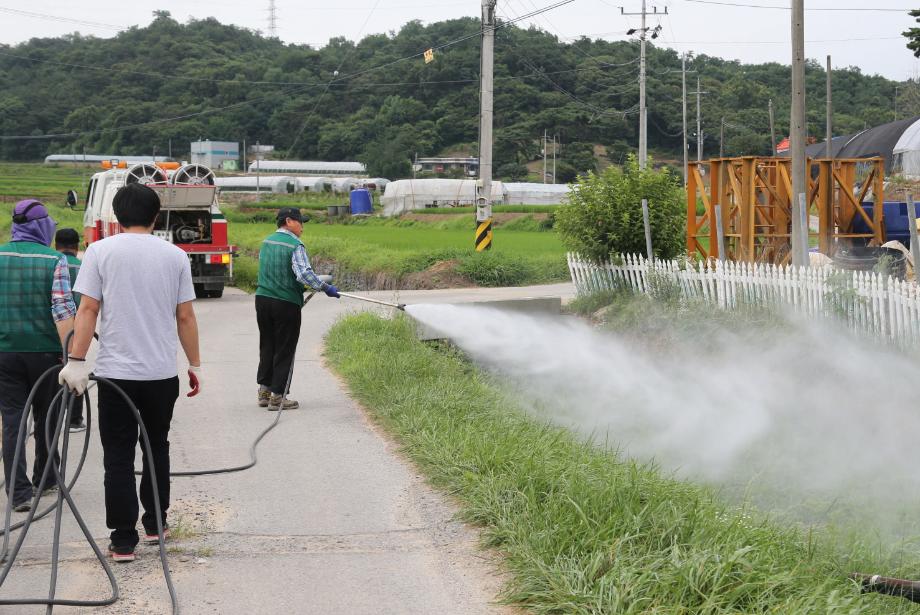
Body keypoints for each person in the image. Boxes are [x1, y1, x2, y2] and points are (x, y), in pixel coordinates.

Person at [59, 183, 201, 563]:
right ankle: (156, 523)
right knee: (156, 446)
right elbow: (185, 316)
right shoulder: (174, 256)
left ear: (117, 216)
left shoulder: (99, 252)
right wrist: (195, 365)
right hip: (159, 374)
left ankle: (123, 541)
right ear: (156, 216)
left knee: (118, 456)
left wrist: (76, 360)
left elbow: (87, 310)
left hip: (115, 376)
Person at [0, 199, 75, 513]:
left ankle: (18, 494)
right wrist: (72, 358)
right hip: (45, 355)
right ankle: (44, 479)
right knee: (48, 416)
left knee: (13, 421)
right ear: (41, 226)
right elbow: (62, 310)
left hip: (5, 354)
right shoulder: (54, 259)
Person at [255, 207, 339, 411]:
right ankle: (278, 396)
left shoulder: (267, 241)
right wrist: (324, 286)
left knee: (268, 345)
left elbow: (272, 271)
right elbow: (303, 274)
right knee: (285, 348)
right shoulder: (295, 245)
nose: (302, 227)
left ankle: (264, 392)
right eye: (301, 222)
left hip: (263, 300)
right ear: (289, 221)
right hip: (285, 303)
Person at [55, 228, 86, 432]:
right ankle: (74, 420)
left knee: (54, 373)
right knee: (76, 367)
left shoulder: (54, 264)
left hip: (54, 327)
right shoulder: (83, 267)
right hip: (77, 329)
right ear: (77, 246)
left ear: (56, 245)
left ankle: (54, 416)